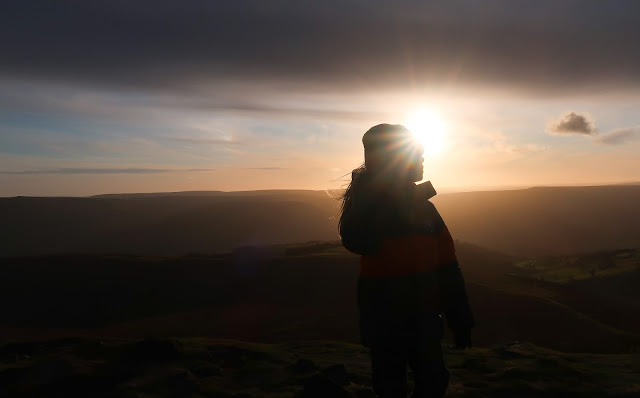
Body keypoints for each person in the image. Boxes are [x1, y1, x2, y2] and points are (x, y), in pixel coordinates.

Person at [338, 124, 474, 398]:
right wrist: (380, 199)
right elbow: (358, 240)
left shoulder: (424, 208)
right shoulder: (368, 209)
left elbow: (447, 265)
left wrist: (460, 320)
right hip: (388, 316)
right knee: (396, 384)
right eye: (415, 154)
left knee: (431, 381)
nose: (423, 160)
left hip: (418, 314)